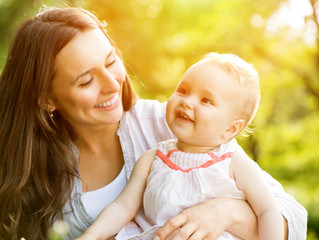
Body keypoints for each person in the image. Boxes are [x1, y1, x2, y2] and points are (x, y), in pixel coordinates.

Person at [0, 6, 307, 240]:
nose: (112, 84)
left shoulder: (175, 125)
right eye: (86, 81)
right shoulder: (27, 169)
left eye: (110, 61)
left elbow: (292, 216)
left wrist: (226, 212)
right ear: (45, 99)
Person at [75, 52, 284, 240]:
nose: (187, 102)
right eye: (183, 90)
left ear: (230, 130)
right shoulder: (152, 159)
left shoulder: (233, 163)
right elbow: (122, 207)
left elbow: (267, 211)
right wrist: (90, 236)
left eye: (206, 100)